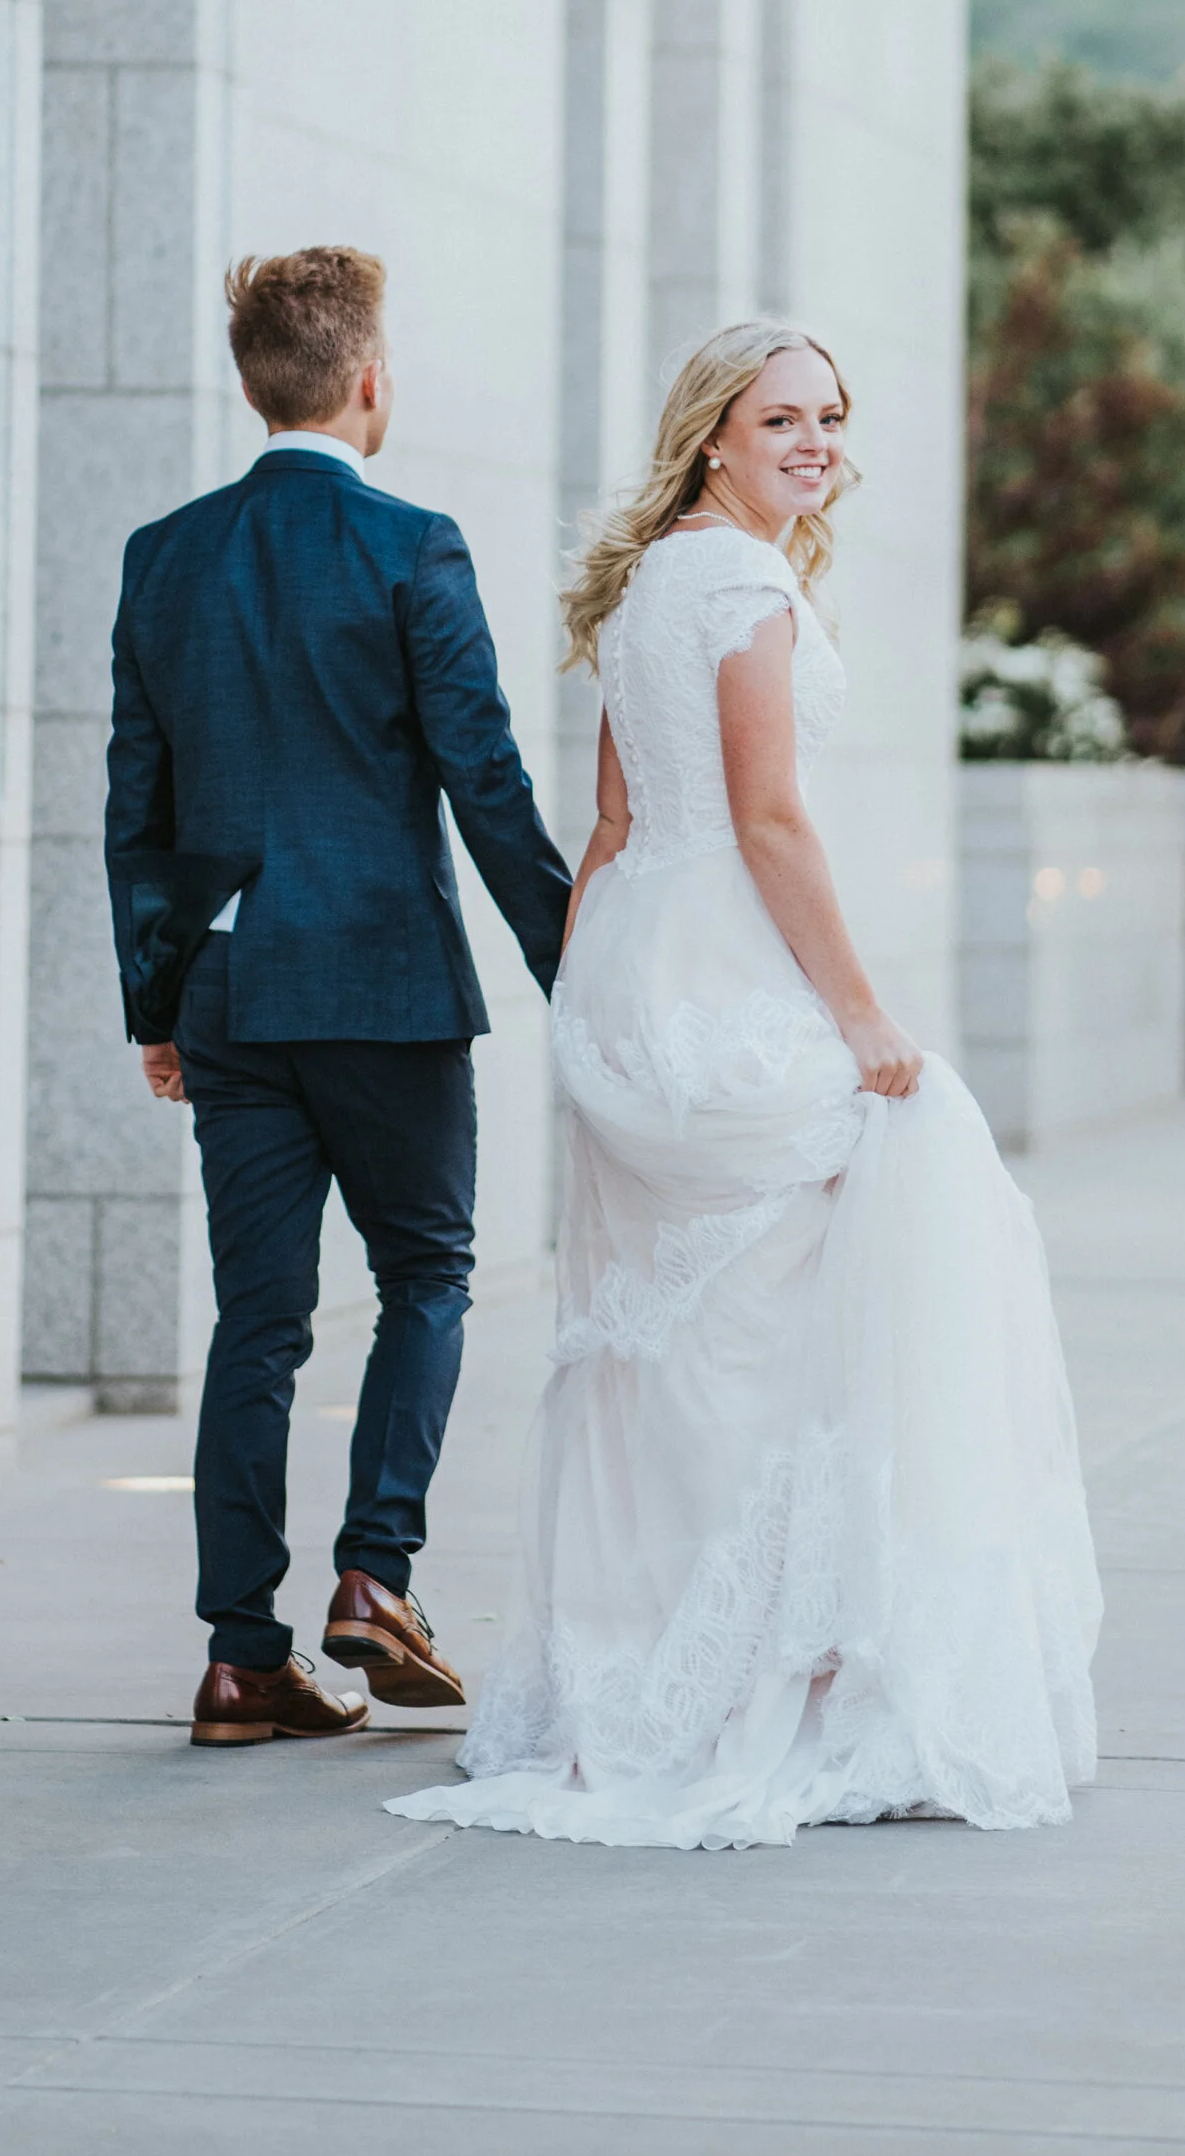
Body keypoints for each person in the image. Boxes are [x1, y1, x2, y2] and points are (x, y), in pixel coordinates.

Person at [389, 321, 1100, 1848]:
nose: (817, 442)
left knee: (666, 1339)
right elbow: (770, 822)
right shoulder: (745, 583)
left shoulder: (652, 579)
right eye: (784, 418)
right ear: (715, 432)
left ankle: (657, 1662)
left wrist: (588, 999)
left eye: (833, 418)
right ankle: (783, 1662)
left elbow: (614, 821)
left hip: (641, 973)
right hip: (722, 974)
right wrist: (865, 1021)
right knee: (854, 1250)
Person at [108, 245, 572, 1748]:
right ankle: (377, 1577)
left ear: (251, 384)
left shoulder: (163, 555)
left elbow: (140, 803)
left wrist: (156, 1006)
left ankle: (242, 1659)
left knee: (260, 1321)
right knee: (428, 1275)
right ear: (370, 381)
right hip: (380, 988)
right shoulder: (412, 546)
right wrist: (578, 958)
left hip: (232, 992)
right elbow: (482, 776)